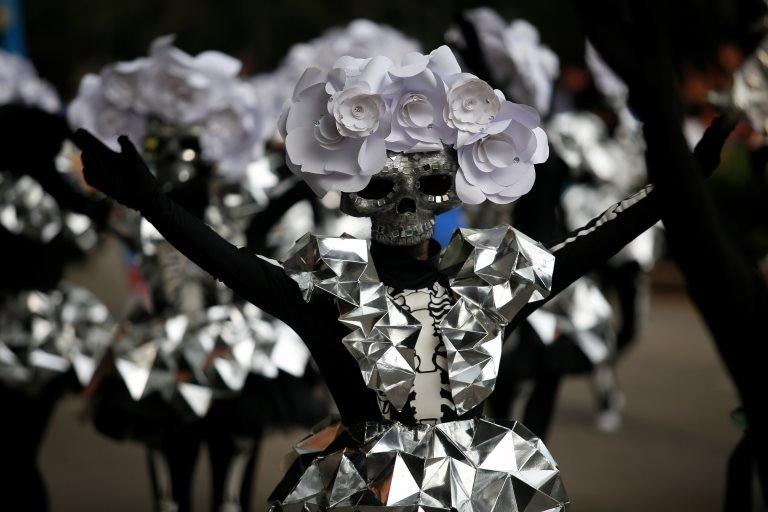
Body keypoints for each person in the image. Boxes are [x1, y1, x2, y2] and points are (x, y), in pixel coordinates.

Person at [73, 43, 733, 510]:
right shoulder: (329, 287)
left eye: (432, 184)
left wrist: (674, 183)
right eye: (388, 186)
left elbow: (590, 243)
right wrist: (154, 205)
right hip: (362, 489)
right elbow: (231, 262)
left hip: (477, 486)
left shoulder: (487, 281)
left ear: (455, 189)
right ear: (357, 192)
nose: (411, 207)